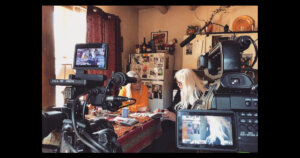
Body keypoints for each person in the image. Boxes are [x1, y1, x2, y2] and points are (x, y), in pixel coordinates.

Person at [151, 68, 208, 152]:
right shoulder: (181, 91)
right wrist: (163, 111)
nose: (178, 85)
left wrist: (177, 118)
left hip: (189, 132)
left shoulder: (199, 96)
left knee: (160, 143)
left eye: (180, 83)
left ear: (188, 83)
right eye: (177, 82)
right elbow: (174, 106)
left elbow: (198, 123)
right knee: (164, 128)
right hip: (177, 126)